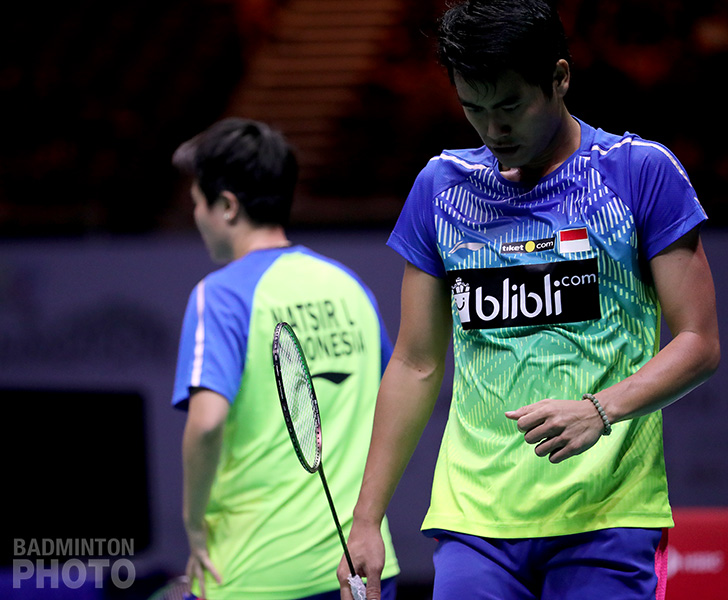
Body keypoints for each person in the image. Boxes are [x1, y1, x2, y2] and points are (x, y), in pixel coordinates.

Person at [337, 1, 720, 599]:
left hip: (607, 515)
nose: (494, 129)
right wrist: (366, 519)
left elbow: (699, 343)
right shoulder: (441, 189)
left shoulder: (638, 173)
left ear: (559, 77)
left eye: (510, 106)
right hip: (475, 522)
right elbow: (415, 363)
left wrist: (599, 410)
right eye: (474, 108)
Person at [170, 117, 399, 600]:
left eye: (197, 202)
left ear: (226, 206)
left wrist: (192, 524)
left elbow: (206, 423)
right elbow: (394, 406)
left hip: (255, 573)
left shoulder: (221, 296)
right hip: (361, 567)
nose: (195, 216)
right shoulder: (348, 286)